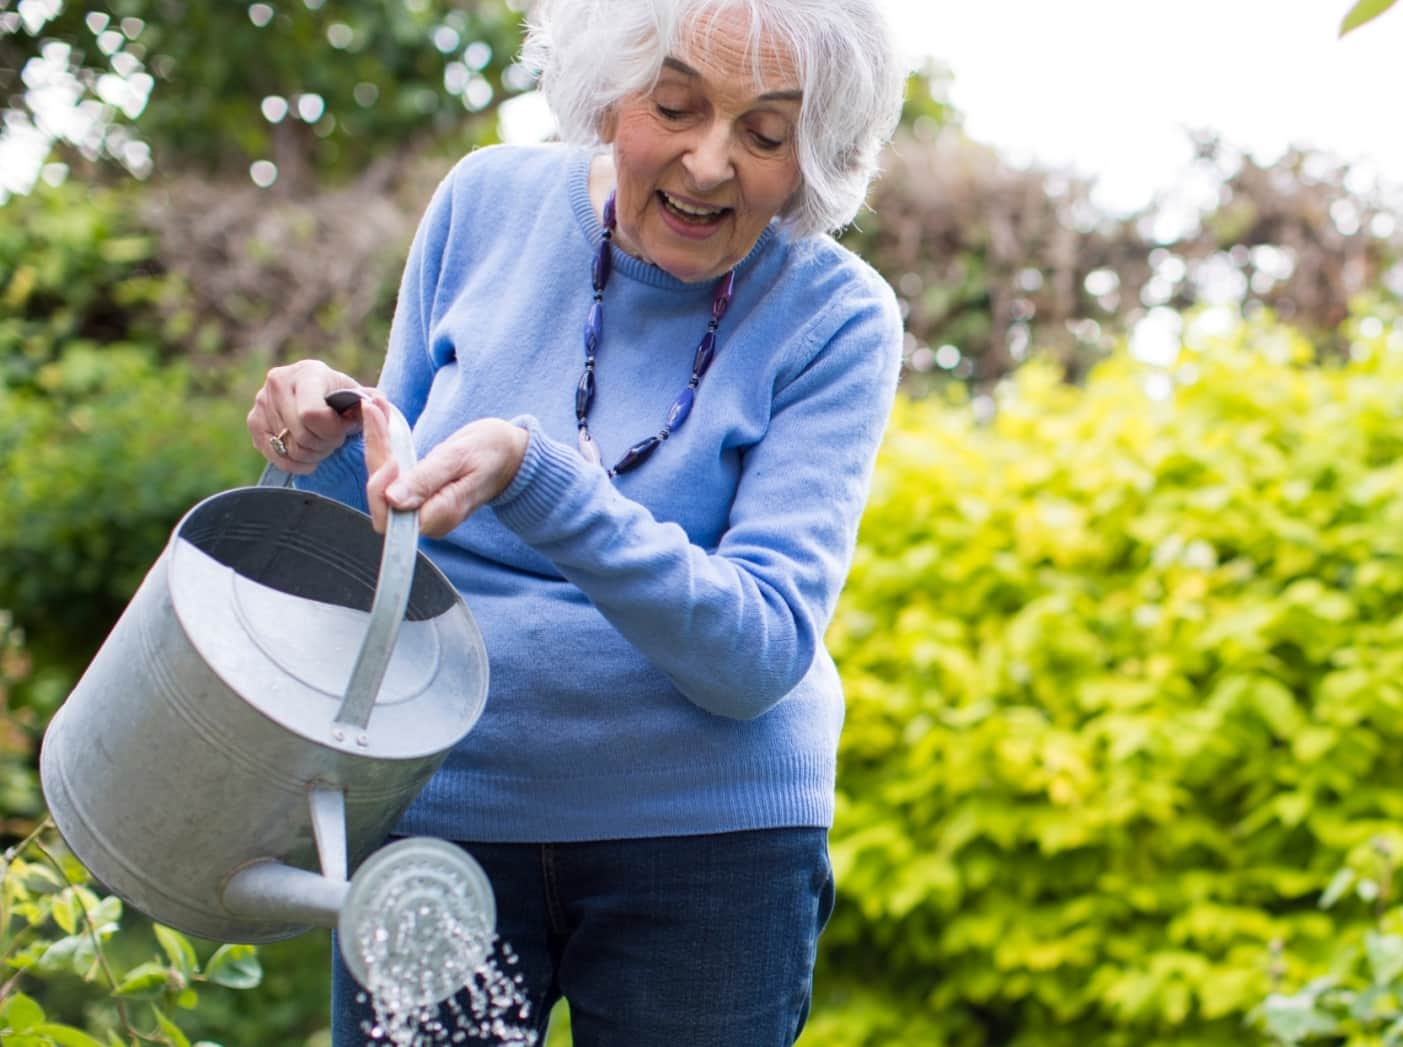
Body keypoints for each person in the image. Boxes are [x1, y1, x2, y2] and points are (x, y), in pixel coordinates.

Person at [243, 0, 906, 1042]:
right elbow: (390, 521)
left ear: (818, 154)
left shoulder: (837, 316)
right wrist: (324, 442)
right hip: (440, 815)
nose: (708, 164)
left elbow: (759, 648)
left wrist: (540, 479)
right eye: (675, 106)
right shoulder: (485, 202)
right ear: (609, 85)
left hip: (710, 846)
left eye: (767, 135)